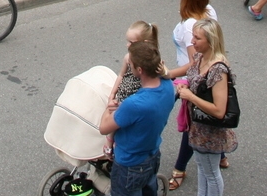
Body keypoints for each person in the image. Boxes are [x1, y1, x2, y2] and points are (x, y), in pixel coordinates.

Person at [165, 19, 235, 196]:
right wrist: (173, 77)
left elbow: (219, 110)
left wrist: (190, 96)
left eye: (197, 38)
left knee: (210, 173)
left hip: (209, 132)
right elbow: (191, 70)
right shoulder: (200, 56)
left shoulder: (218, 69)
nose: (192, 41)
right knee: (203, 169)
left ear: (211, 41)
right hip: (197, 127)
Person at [99, 37, 176, 196]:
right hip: (152, 155)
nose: (129, 66)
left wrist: (108, 108)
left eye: (131, 64)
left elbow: (103, 128)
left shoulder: (134, 104)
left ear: (140, 70)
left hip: (129, 165)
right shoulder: (168, 86)